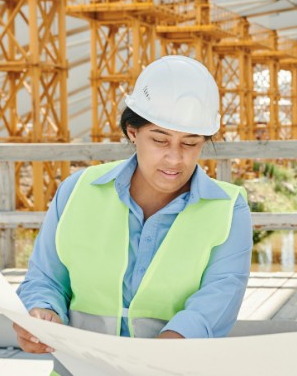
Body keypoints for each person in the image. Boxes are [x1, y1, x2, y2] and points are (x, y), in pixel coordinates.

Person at [14, 55, 253, 375]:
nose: (174, 158)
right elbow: (45, 278)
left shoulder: (228, 209)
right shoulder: (78, 190)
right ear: (132, 132)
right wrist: (41, 314)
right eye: (159, 139)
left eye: (191, 143)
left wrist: (165, 352)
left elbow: (216, 303)